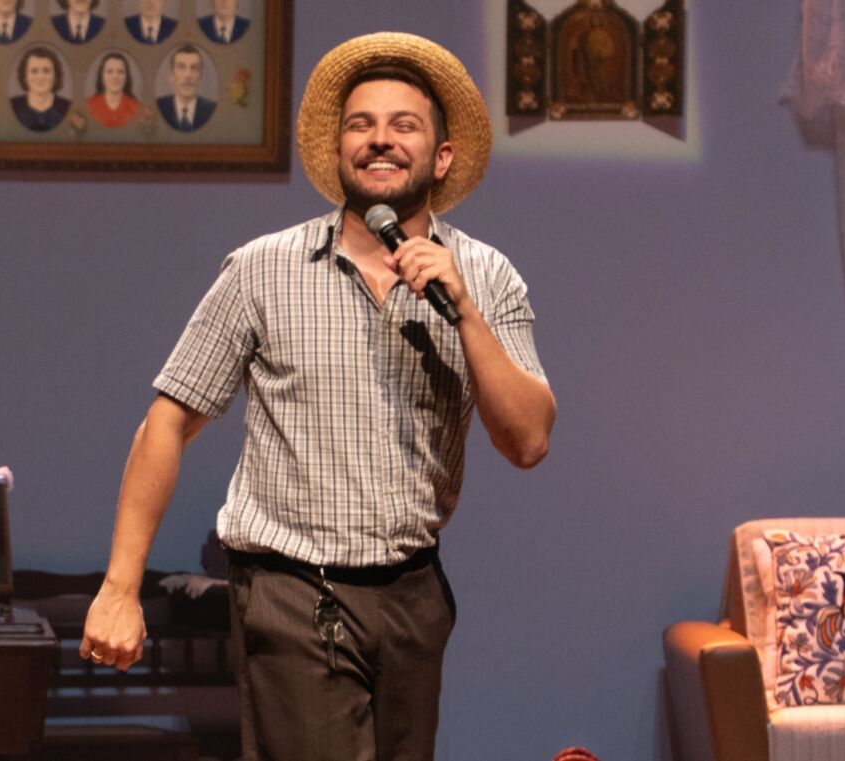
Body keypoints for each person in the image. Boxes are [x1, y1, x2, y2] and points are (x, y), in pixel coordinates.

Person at [80, 31, 555, 761]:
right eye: (361, 125)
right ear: (339, 153)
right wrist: (120, 586)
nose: (379, 140)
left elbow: (527, 441)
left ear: (441, 157)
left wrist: (463, 311)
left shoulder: (486, 277)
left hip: (414, 595)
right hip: (293, 592)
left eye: (403, 125)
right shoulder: (263, 269)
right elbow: (167, 422)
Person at [156, 46, 216, 132]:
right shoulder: (159, 107)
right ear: (172, 75)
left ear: (200, 75)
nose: (188, 75)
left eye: (194, 68)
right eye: (181, 67)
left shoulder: (211, 110)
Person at [10, 46, 71, 132]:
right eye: (34, 71)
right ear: (24, 76)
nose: (40, 77)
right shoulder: (14, 106)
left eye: (46, 71)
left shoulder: (66, 107)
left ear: (55, 75)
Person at [88, 51, 139, 128]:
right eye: (109, 71)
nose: (115, 76)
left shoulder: (136, 108)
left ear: (126, 77)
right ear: (101, 76)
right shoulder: (89, 106)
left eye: (120, 72)